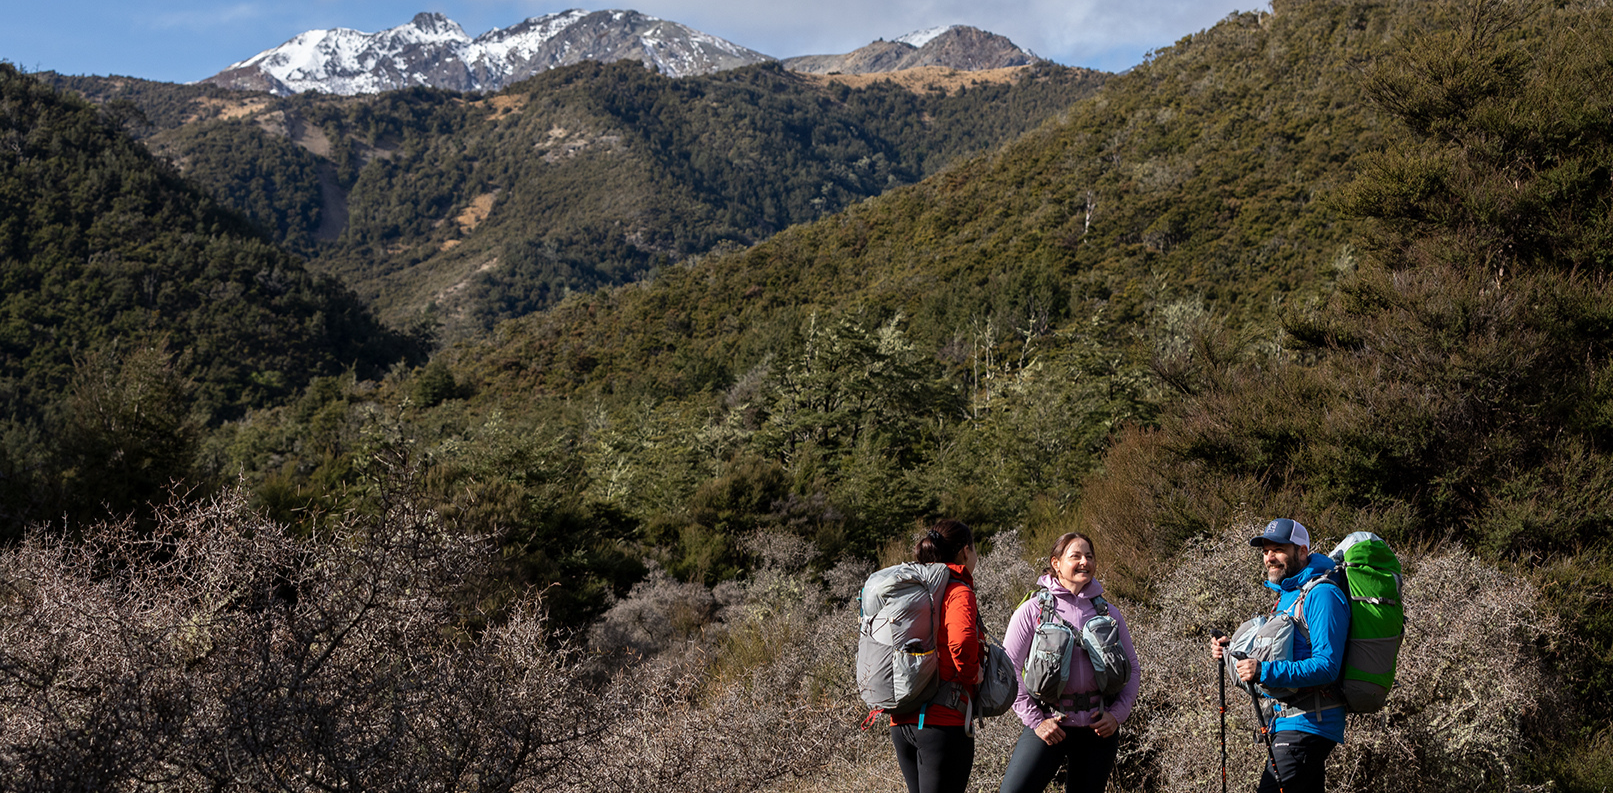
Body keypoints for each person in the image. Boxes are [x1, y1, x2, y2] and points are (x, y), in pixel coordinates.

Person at [1210, 518, 1349, 793]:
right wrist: (1229, 651)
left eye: (1278, 549)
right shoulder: (1287, 596)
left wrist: (1263, 671)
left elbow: (1327, 666)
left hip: (1309, 725)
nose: (1269, 557)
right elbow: (1279, 651)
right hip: (1289, 722)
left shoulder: (1323, 595)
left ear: (1302, 551)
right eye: (1265, 551)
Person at [998, 532, 1140, 793]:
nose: (1084, 562)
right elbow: (1008, 669)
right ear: (1056, 563)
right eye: (1075, 556)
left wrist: (1117, 716)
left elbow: (1132, 666)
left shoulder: (1108, 612)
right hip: (1049, 723)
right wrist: (1036, 721)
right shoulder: (1032, 611)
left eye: (1089, 556)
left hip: (1098, 729)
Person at [890, 519, 983, 793]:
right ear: (965, 551)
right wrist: (972, 673)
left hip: (902, 719)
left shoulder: (912, 589)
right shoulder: (958, 591)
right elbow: (962, 640)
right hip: (942, 721)